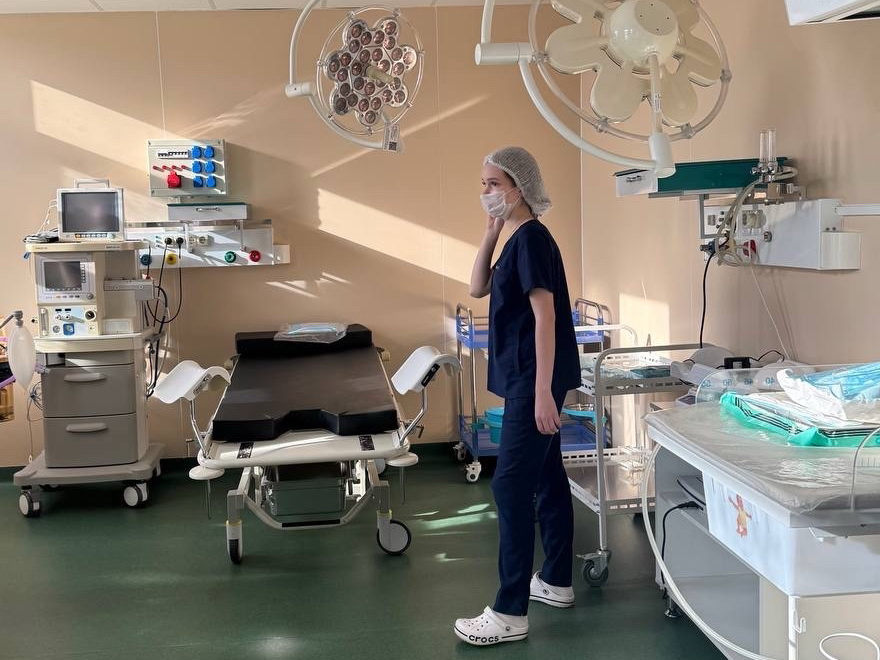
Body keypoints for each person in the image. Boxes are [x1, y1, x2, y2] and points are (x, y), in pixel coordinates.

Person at [453, 146, 581, 646]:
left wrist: (544, 393)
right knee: (547, 476)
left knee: (509, 486)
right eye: (483, 184)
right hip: (528, 378)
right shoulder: (516, 238)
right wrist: (490, 231)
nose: (486, 193)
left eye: (494, 184)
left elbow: (546, 317)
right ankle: (556, 580)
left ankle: (509, 613)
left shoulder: (531, 240)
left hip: (534, 380)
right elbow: (477, 287)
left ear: (520, 187)